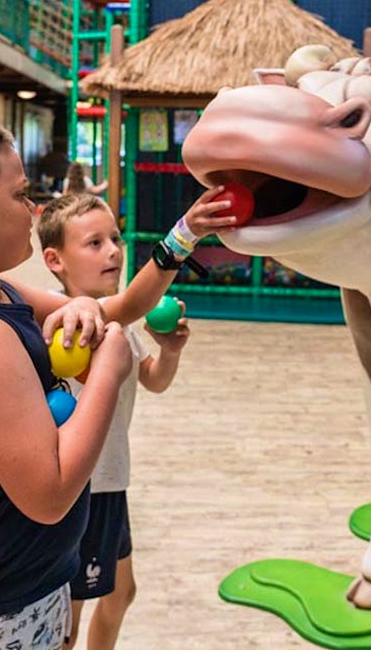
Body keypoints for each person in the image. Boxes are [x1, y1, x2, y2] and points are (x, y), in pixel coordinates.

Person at [0, 112, 234, 650]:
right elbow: (48, 495)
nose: (32, 210)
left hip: (29, 579)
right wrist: (110, 369)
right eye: (20, 195)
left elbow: (119, 307)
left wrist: (183, 234)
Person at [37, 193, 215, 650]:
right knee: (67, 620)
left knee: (120, 594)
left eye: (114, 237)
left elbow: (152, 379)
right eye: (94, 243)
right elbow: (137, 300)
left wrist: (170, 351)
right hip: (82, 492)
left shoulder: (116, 321)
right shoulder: (65, 323)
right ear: (55, 260)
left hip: (111, 483)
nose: (114, 250)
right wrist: (186, 229)